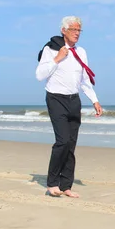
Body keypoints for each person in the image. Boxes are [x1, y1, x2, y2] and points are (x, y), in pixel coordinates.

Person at [36, 16, 102, 198]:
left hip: (74, 100)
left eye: (79, 30)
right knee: (62, 141)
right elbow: (39, 75)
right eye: (73, 29)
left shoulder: (81, 51)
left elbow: (84, 80)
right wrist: (57, 59)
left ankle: (66, 186)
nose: (77, 33)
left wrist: (94, 100)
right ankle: (52, 183)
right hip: (56, 98)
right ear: (63, 30)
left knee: (71, 144)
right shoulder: (51, 50)